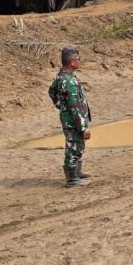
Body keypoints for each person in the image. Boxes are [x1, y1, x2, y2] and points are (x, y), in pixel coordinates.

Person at [49, 46, 92, 187]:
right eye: (78, 59)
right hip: (74, 121)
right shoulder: (69, 81)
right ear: (72, 62)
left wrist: (62, 107)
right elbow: (76, 106)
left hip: (69, 118)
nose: (80, 61)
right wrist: (84, 126)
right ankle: (72, 178)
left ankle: (77, 172)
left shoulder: (61, 77)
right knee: (73, 146)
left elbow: (52, 92)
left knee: (78, 145)